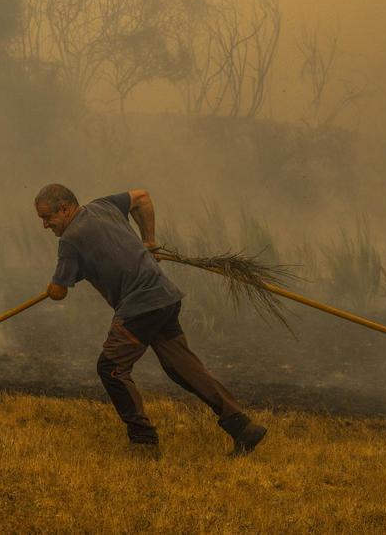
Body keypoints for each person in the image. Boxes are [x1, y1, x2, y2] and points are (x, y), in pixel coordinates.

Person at [34, 183, 266, 456]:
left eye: (48, 217)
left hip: (141, 307)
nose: (45, 225)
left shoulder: (70, 239)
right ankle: (243, 427)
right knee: (183, 368)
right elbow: (141, 197)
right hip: (164, 297)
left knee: (111, 368)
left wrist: (54, 288)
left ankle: (143, 442)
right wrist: (149, 242)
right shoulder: (103, 206)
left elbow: (59, 291)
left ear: (65, 208)